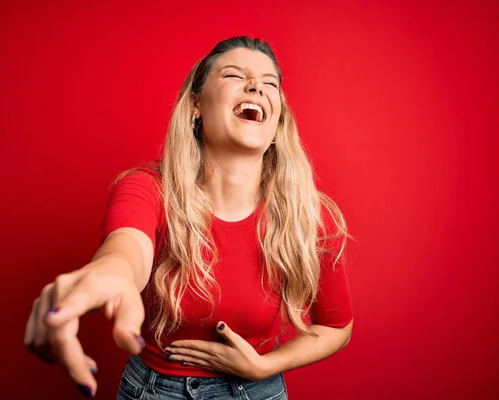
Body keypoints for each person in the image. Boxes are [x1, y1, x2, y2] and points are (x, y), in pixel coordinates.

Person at [24, 36, 354, 399]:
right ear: (196, 104)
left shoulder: (309, 212)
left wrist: (264, 366)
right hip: (152, 391)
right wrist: (111, 272)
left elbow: (337, 326)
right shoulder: (148, 188)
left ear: (277, 121)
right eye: (233, 75)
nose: (257, 86)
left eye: (270, 83)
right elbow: (126, 248)